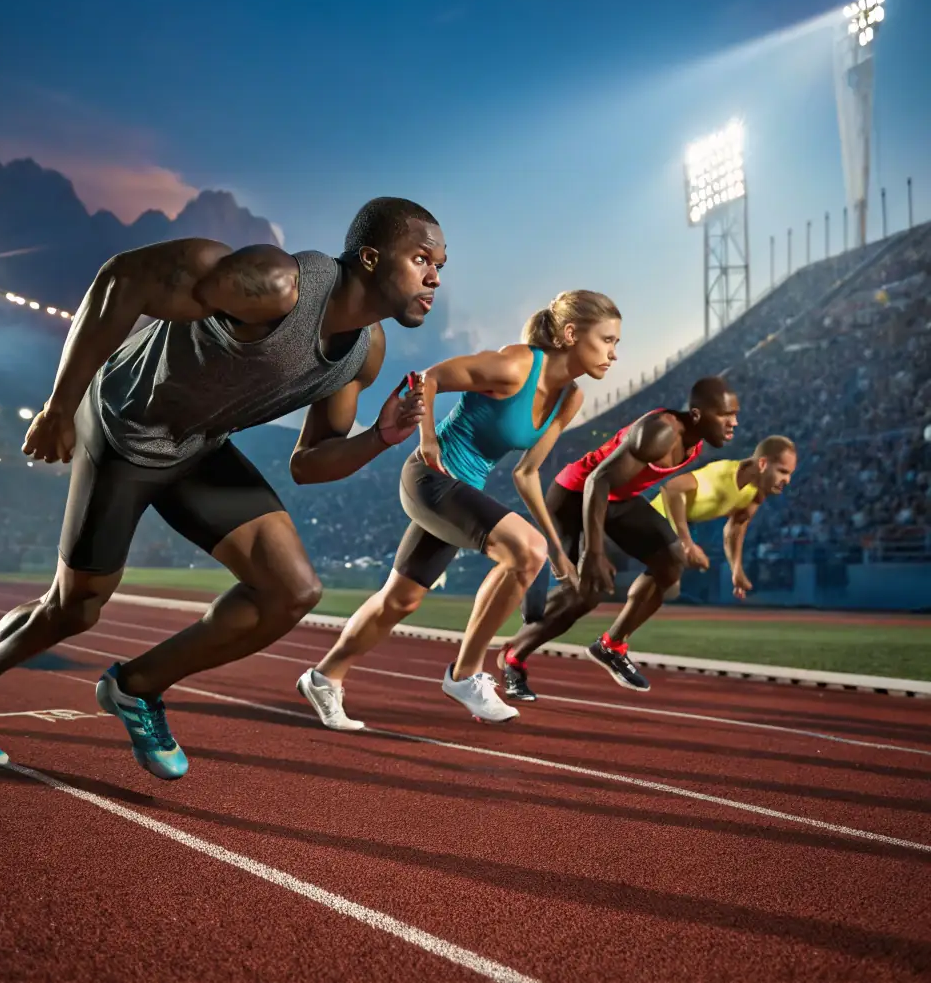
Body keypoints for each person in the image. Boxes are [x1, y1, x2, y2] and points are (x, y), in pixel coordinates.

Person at [0, 197, 446, 777]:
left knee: (291, 591)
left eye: (441, 265)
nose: (434, 276)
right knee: (74, 609)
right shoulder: (278, 285)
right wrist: (59, 406)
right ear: (372, 258)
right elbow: (120, 280)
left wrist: (378, 437)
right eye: (422, 258)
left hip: (199, 443)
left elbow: (309, 464)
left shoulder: (363, 353)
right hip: (125, 427)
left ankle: (136, 688)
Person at [296, 290, 621, 729]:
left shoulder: (570, 399)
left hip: (463, 490)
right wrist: (427, 438)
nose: (614, 354)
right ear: (569, 334)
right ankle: (466, 675)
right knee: (525, 550)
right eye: (607, 340)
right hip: (430, 477)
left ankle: (323, 676)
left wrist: (561, 555)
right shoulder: (513, 367)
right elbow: (426, 378)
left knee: (401, 599)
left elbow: (526, 474)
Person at [500, 376, 739, 697]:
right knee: (584, 592)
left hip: (617, 498)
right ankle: (514, 657)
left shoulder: (695, 440)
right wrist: (593, 553)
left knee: (670, 563)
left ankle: (611, 645)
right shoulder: (661, 432)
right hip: (574, 494)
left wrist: (682, 537)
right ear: (697, 414)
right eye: (726, 415)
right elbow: (596, 481)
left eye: (734, 414)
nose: (733, 422)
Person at [651, 436, 798, 600]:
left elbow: (736, 526)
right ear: (763, 464)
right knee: (669, 587)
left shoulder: (756, 493)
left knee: (668, 587)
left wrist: (736, 569)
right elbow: (671, 489)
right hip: (652, 519)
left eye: (790, 474)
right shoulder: (721, 476)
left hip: (680, 525)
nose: (787, 480)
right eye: (783, 471)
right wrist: (686, 543)